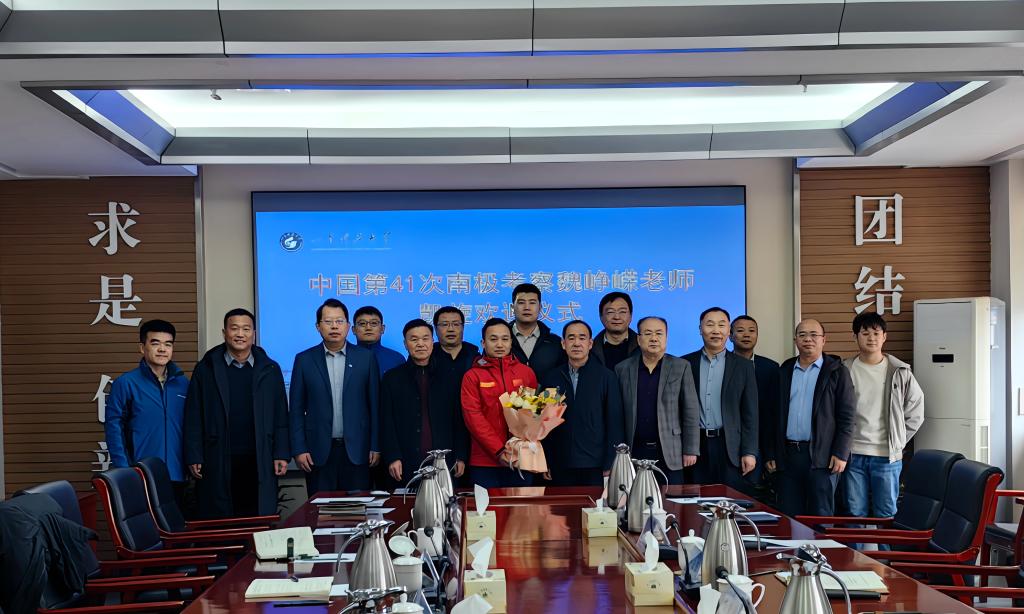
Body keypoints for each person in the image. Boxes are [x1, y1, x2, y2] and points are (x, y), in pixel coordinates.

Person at [183, 308, 289, 518]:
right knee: (221, 517)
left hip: (259, 455)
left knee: (256, 516)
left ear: (254, 334)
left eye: (246, 329)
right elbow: (193, 415)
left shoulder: (270, 369)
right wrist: (194, 454)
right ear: (224, 333)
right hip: (218, 455)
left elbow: (280, 415)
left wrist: (281, 453)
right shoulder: (206, 368)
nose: (240, 334)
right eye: (234, 328)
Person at [765, 319, 856, 517]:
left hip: (822, 456)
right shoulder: (785, 370)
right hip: (788, 455)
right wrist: (771, 453)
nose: (808, 339)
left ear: (824, 340)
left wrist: (841, 452)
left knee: (820, 516)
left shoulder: (837, 371)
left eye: (814, 335)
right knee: (789, 515)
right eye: (802, 335)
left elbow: (847, 417)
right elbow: (773, 415)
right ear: (795, 340)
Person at [289, 299, 381, 494]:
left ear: (348, 326)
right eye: (328, 321)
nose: (334, 326)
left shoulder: (365, 358)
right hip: (317, 452)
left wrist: (375, 445)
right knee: (320, 509)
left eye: (339, 321)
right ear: (318, 326)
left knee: (358, 508)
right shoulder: (304, 360)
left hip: (358, 451)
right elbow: (296, 410)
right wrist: (299, 449)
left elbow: (374, 406)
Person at [842, 312, 924, 519]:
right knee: (854, 514)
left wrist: (898, 440)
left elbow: (916, 411)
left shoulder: (900, 371)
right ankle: (856, 544)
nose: (871, 338)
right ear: (855, 337)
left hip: (887, 456)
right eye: (865, 333)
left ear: (884, 336)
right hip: (852, 454)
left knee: (886, 514)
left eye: (876, 333)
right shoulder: (844, 369)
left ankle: (885, 544)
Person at [104, 319, 189, 507]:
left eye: (168, 344)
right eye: (155, 343)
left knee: (176, 523)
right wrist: (125, 470)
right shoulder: (126, 383)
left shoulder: (183, 384)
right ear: (142, 348)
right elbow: (114, 427)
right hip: (140, 473)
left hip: (178, 474)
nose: (162, 349)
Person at [381, 319, 469, 485]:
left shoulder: (450, 376)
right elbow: (387, 421)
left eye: (425, 338)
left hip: (444, 459)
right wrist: (393, 456)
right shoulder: (392, 378)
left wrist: (461, 455)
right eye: (414, 339)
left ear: (432, 341)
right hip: (405, 459)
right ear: (405, 344)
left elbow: (459, 419)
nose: (420, 344)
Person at [539, 320, 626, 486]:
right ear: (563, 344)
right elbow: (544, 423)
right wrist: (546, 459)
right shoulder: (552, 378)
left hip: (595, 464)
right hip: (560, 463)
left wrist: (610, 462)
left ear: (590, 343)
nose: (577, 343)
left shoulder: (606, 377)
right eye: (571, 338)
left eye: (582, 338)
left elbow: (614, 423)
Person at [615, 317, 699, 485]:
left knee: (672, 498)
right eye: (648, 333)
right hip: (634, 450)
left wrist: (690, 449)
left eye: (659, 333)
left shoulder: (681, 366)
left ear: (666, 338)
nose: (654, 338)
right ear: (638, 339)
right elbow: (617, 413)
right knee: (635, 497)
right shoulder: (622, 369)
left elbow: (690, 410)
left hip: (670, 450)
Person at [681, 307, 758, 491]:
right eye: (710, 325)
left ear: (729, 330)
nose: (716, 330)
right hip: (695, 446)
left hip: (729, 446)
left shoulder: (744, 366)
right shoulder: (685, 363)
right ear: (700, 329)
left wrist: (749, 451)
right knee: (695, 500)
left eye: (721, 325)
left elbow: (750, 413)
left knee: (729, 500)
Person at [461, 318, 538, 488]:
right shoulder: (472, 376)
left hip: (521, 458)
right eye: (493, 339)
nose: (500, 344)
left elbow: (533, 413)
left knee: (522, 505)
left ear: (511, 342)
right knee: (486, 506)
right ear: (483, 343)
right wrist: (499, 450)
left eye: (505, 339)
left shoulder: (526, 373)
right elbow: (473, 418)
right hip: (485, 461)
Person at [730, 314, 780, 492]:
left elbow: (773, 413)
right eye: (740, 330)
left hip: (759, 445)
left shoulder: (771, 368)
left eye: (751, 331)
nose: (746, 335)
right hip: (727, 443)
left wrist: (770, 453)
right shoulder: (722, 364)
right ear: (730, 336)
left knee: (753, 496)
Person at [508, 283, 566, 376]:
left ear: (540, 307)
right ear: (512, 308)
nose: (527, 308)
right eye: (521, 302)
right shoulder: (500, 340)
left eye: (532, 303)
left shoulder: (555, 343)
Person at [591, 291, 640, 370]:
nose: (617, 317)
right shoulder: (590, 348)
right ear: (601, 317)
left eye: (622, 312)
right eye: (610, 312)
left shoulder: (643, 346)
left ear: (631, 316)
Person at [352, 305, 405, 376]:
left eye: (374, 323)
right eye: (362, 323)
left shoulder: (397, 359)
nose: (368, 328)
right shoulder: (345, 357)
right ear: (354, 330)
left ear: (382, 329)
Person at [432, 306, 479, 384]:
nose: (451, 329)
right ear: (436, 329)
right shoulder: (428, 357)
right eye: (444, 324)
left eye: (456, 324)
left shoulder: (476, 359)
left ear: (463, 327)